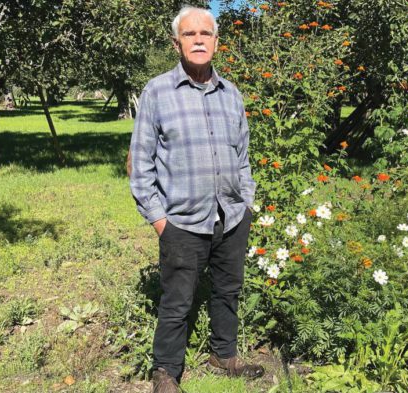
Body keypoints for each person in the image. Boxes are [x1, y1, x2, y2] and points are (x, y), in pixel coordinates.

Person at [128, 6, 262, 393]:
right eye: (190, 34)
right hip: (182, 221)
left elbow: (243, 156)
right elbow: (140, 163)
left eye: (206, 33)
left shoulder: (231, 94)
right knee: (177, 300)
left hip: (231, 214)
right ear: (176, 43)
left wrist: (246, 201)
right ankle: (166, 372)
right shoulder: (157, 92)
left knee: (228, 289)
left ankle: (224, 354)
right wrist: (158, 219)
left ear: (217, 43)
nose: (199, 40)